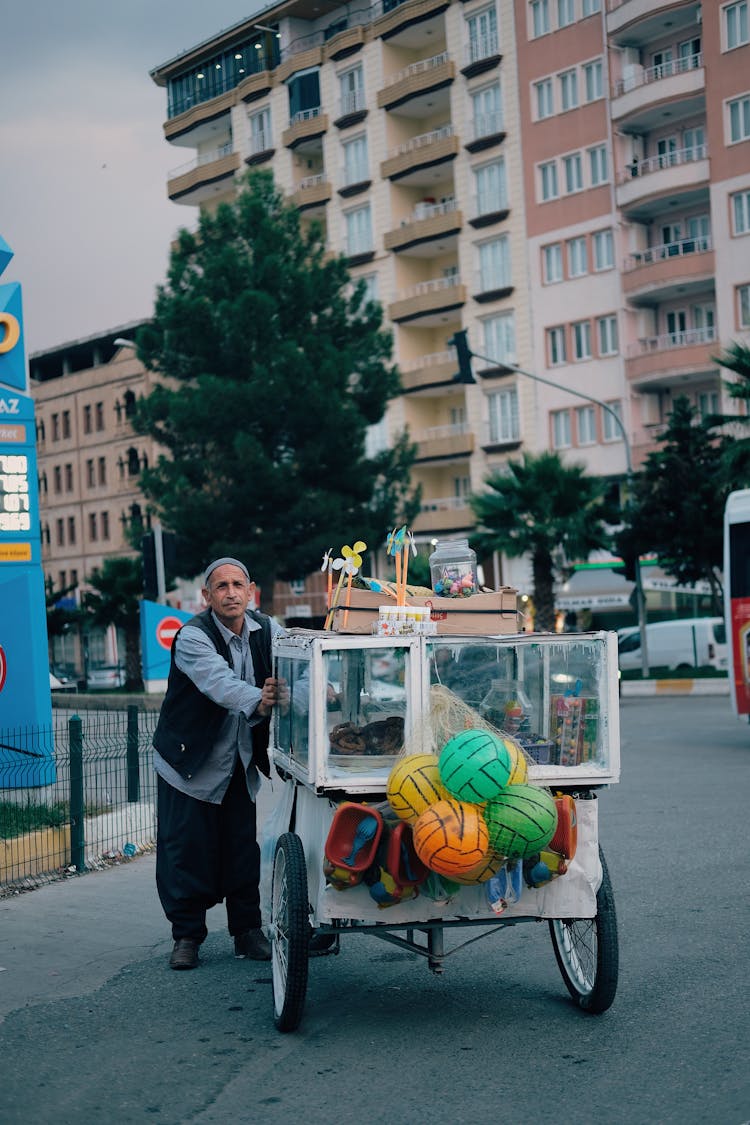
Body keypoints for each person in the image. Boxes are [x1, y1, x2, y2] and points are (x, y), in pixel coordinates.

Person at [152, 557, 284, 971]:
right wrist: (258, 699)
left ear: (251, 591)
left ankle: (247, 933)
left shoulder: (269, 630)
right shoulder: (193, 637)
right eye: (221, 586)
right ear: (206, 597)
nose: (231, 593)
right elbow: (219, 683)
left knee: (242, 850)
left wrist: (325, 685)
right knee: (185, 853)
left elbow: (298, 657)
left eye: (237, 584)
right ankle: (187, 937)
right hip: (189, 763)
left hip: (238, 763)